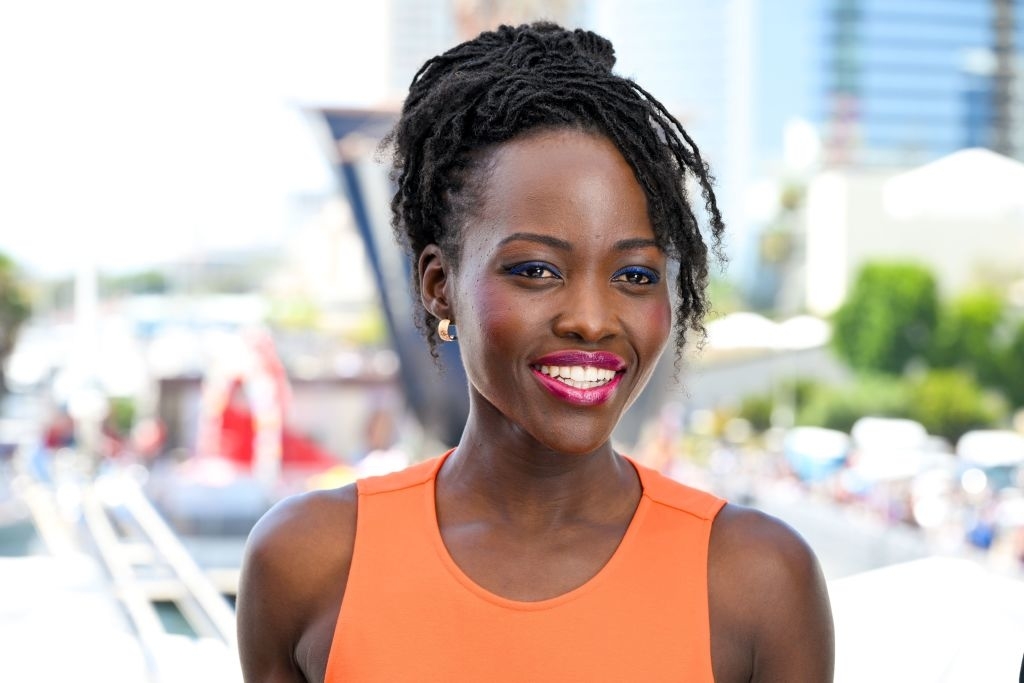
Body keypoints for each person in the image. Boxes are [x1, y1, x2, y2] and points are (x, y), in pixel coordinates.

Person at [237, 22, 834, 682]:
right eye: (536, 270)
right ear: (439, 285)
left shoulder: (756, 581)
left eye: (635, 275)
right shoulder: (310, 561)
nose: (590, 319)